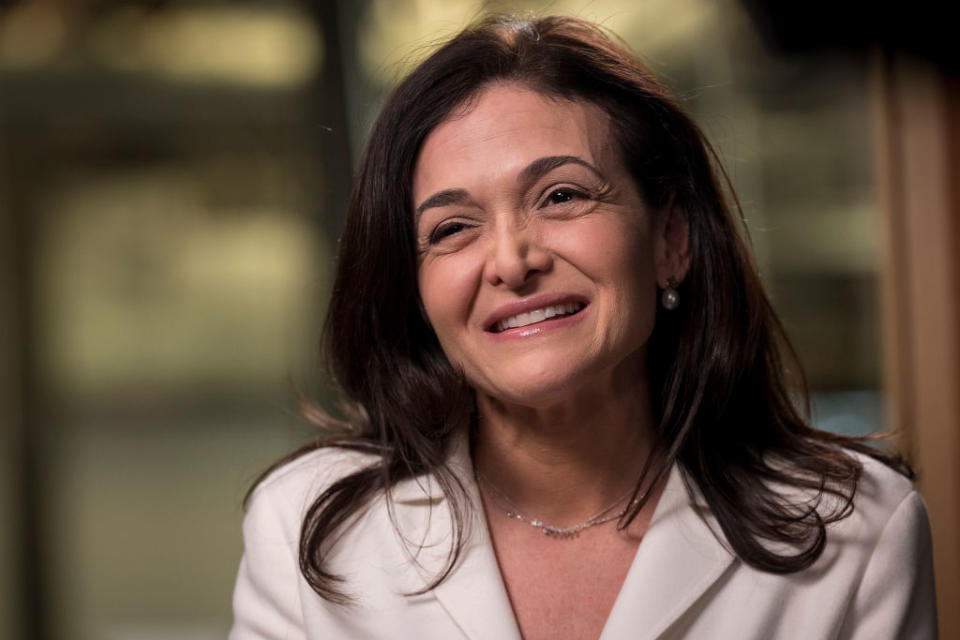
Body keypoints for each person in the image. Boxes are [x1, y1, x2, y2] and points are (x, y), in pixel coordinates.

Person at [229, 14, 937, 640]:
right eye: (451, 227)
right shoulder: (307, 528)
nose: (511, 260)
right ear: (413, 290)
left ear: (671, 241)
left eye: (561, 195)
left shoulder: (857, 531)